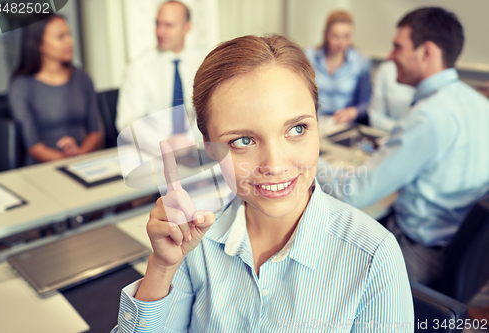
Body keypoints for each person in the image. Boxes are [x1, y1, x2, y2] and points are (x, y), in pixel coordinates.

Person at [111, 35, 413, 332]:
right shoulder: (195, 242)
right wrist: (162, 267)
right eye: (243, 140)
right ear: (209, 146)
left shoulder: (373, 256)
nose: (275, 165)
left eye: (297, 128)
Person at [317, 7, 489, 287]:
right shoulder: (480, 105)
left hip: (420, 254)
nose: (390, 56)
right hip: (463, 251)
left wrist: (308, 159)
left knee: (327, 255)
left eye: (398, 47)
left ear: (427, 52)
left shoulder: (428, 116)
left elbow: (356, 193)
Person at [8, 15, 101, 165]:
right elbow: (35, 148)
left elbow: (95, 133)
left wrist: (79, 155)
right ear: (40, 45)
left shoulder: (82, 78)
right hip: (43, 170)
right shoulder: (21, 86)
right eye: (60, 36)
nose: (70, 41)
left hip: (82, 162)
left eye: (69, 34)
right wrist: (68, 161)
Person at [116, 0, 204, 151]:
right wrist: (165, 144)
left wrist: (189, 141)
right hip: (153, 150)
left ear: (186, 28)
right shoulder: (138, 66)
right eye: (158, 24)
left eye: (168, 25)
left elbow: (207, 112)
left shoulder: (202, 63)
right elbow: (126, 121)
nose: (160, 31)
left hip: (194, 147)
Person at [305, 10, 371, 123]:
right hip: (314, 120)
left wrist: (353, 112)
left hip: (343, 123)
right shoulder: (309, 57)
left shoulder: (361, 62)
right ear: (326, 34)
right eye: (335, 36)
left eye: (346, 36)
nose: (341, 42)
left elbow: (366, 103)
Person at [368, 60, 415, 132]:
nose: (390, 56)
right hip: (389, 134)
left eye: (398, 48)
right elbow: (375, 117)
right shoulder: (386, 70)